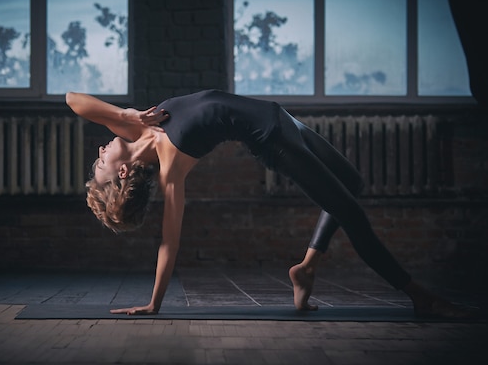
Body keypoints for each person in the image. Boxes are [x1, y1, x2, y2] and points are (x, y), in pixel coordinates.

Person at [66, 89, 471, 318]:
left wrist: (127, 111)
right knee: (351, 212)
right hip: (274, 142)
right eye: (101, 162)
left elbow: (73, 100)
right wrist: (154, 303)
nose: (100, 150)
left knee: (352, 181)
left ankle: (306, 267)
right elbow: (170, 241)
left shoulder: (136, 124)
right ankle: (418, 294)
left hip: (282, 118)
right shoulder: (172, 166)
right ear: (121, 175)